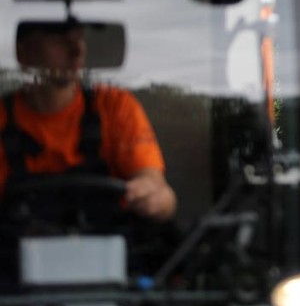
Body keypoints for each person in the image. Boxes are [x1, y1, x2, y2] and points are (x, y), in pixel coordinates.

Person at [0, 21, 176, 222]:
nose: (77, 50)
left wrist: (153, 197)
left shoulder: (114, 106)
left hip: (111, 250)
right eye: (59, 39)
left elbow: (160, 193)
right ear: (22, 52)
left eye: (79, 37)